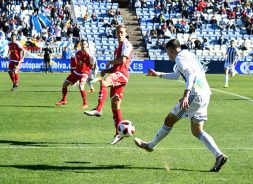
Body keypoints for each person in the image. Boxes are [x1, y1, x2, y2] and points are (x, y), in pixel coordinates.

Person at [134, 39, 227, 172]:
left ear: (171, 50)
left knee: (169, 120)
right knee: (197, 131)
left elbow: (190, 74)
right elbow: (177, 75)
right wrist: (158, 74)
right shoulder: (188, 54)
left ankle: (150, 145)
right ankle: (219, 155)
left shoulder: (179, 58)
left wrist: (186, 95)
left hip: (194, 95)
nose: (168, 55)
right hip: (205, 94)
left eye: (167, 52)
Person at [84, 25, 133, 145]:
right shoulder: (118, 47)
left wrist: (110, 62)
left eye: (121, 32)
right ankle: (118, 134)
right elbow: (117, 66)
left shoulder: (126, 44)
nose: (119, 34)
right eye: (118, 32)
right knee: (115, 107)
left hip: (123, 74)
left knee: (104, 81)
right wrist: (107, 70)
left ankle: (98, 109)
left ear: (126, 33)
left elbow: (123, 61)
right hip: (118, 73)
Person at [55, 39, 95, 109]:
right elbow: (76, 63)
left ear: (87, 45)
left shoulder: (90, 55)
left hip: (84, 73)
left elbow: (91, 65)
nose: (83, 46)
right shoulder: (78, 53)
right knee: (64, 84)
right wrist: (73, 73)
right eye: (82, 44)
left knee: (81, 86)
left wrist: (86, 72)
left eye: (84, 44)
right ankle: (63, 100)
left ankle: (85, 103)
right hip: (76, 72)